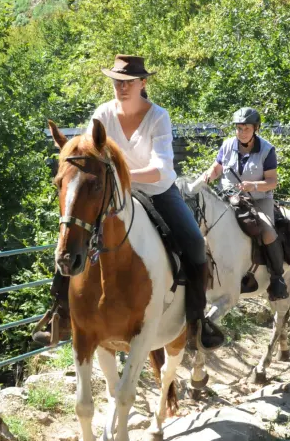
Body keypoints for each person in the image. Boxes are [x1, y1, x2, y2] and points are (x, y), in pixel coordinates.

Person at [34, 55, 224, 352]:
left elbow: (160, 168)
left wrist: (119, 176)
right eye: (117, 82)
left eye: (128, 82)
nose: (121, 87)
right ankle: (59, 313)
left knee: (194, 242)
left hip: (158, 191)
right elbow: (87, 153)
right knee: (71, 233)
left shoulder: (159, 116)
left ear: (142, 83)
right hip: (112, 192)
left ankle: (198, 320)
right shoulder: (103, 113)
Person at [202, 107, 288, 301]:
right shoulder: (227, 145)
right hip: (227, 198)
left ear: (255, 128)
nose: (241, 132)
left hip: (258, 200)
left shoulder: (267, 150)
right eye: (238, 128)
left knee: (267, 231)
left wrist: (254, 185)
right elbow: (217, 168)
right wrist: (208, 175)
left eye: (246, 128)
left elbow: (272, 182)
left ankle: (277, 278)